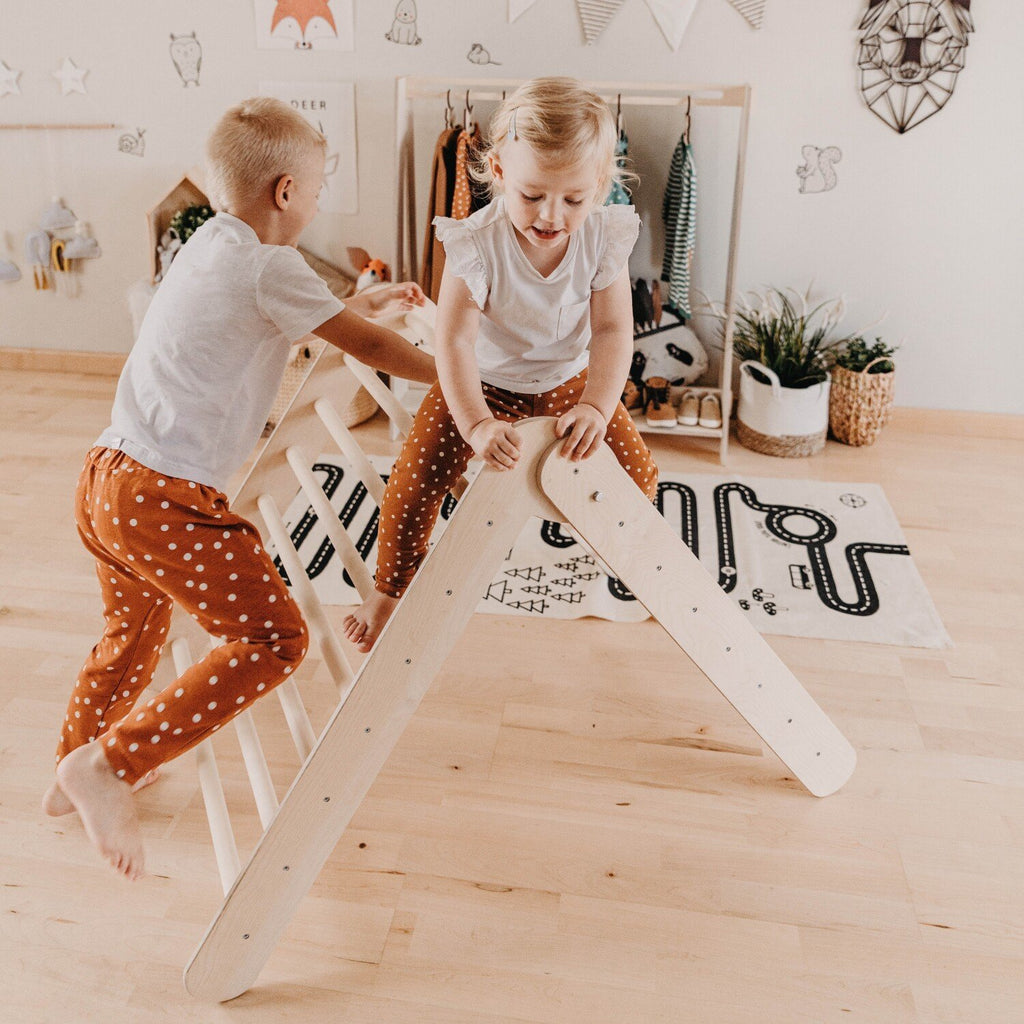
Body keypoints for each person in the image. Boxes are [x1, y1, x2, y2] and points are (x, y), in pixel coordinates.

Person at [43, 97, 436, 880]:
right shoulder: (272, 265)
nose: (321, 200)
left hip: (106, 478)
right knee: (275, 640)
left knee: (133, 635)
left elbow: (301, 318)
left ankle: (73, 763)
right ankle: (108, 767)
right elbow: (356, 343)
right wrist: (461, 377)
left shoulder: (210, 243)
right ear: (286, 193)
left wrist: (363, 301)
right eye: (319, 187)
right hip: (162, 497)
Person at [343, 77, 658, 653]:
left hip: (571, 382)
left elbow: (614, 330)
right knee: (413, 485)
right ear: (499, 170)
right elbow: (455, 341)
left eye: (574, 199)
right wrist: (476, 422)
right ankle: (389, 589)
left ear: (600, 186)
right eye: (533, 195)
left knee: (638, 477)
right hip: (484, 385)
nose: (552, 216)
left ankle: (631, 559)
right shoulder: (476, 243)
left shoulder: (604, 237)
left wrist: (596, 404)